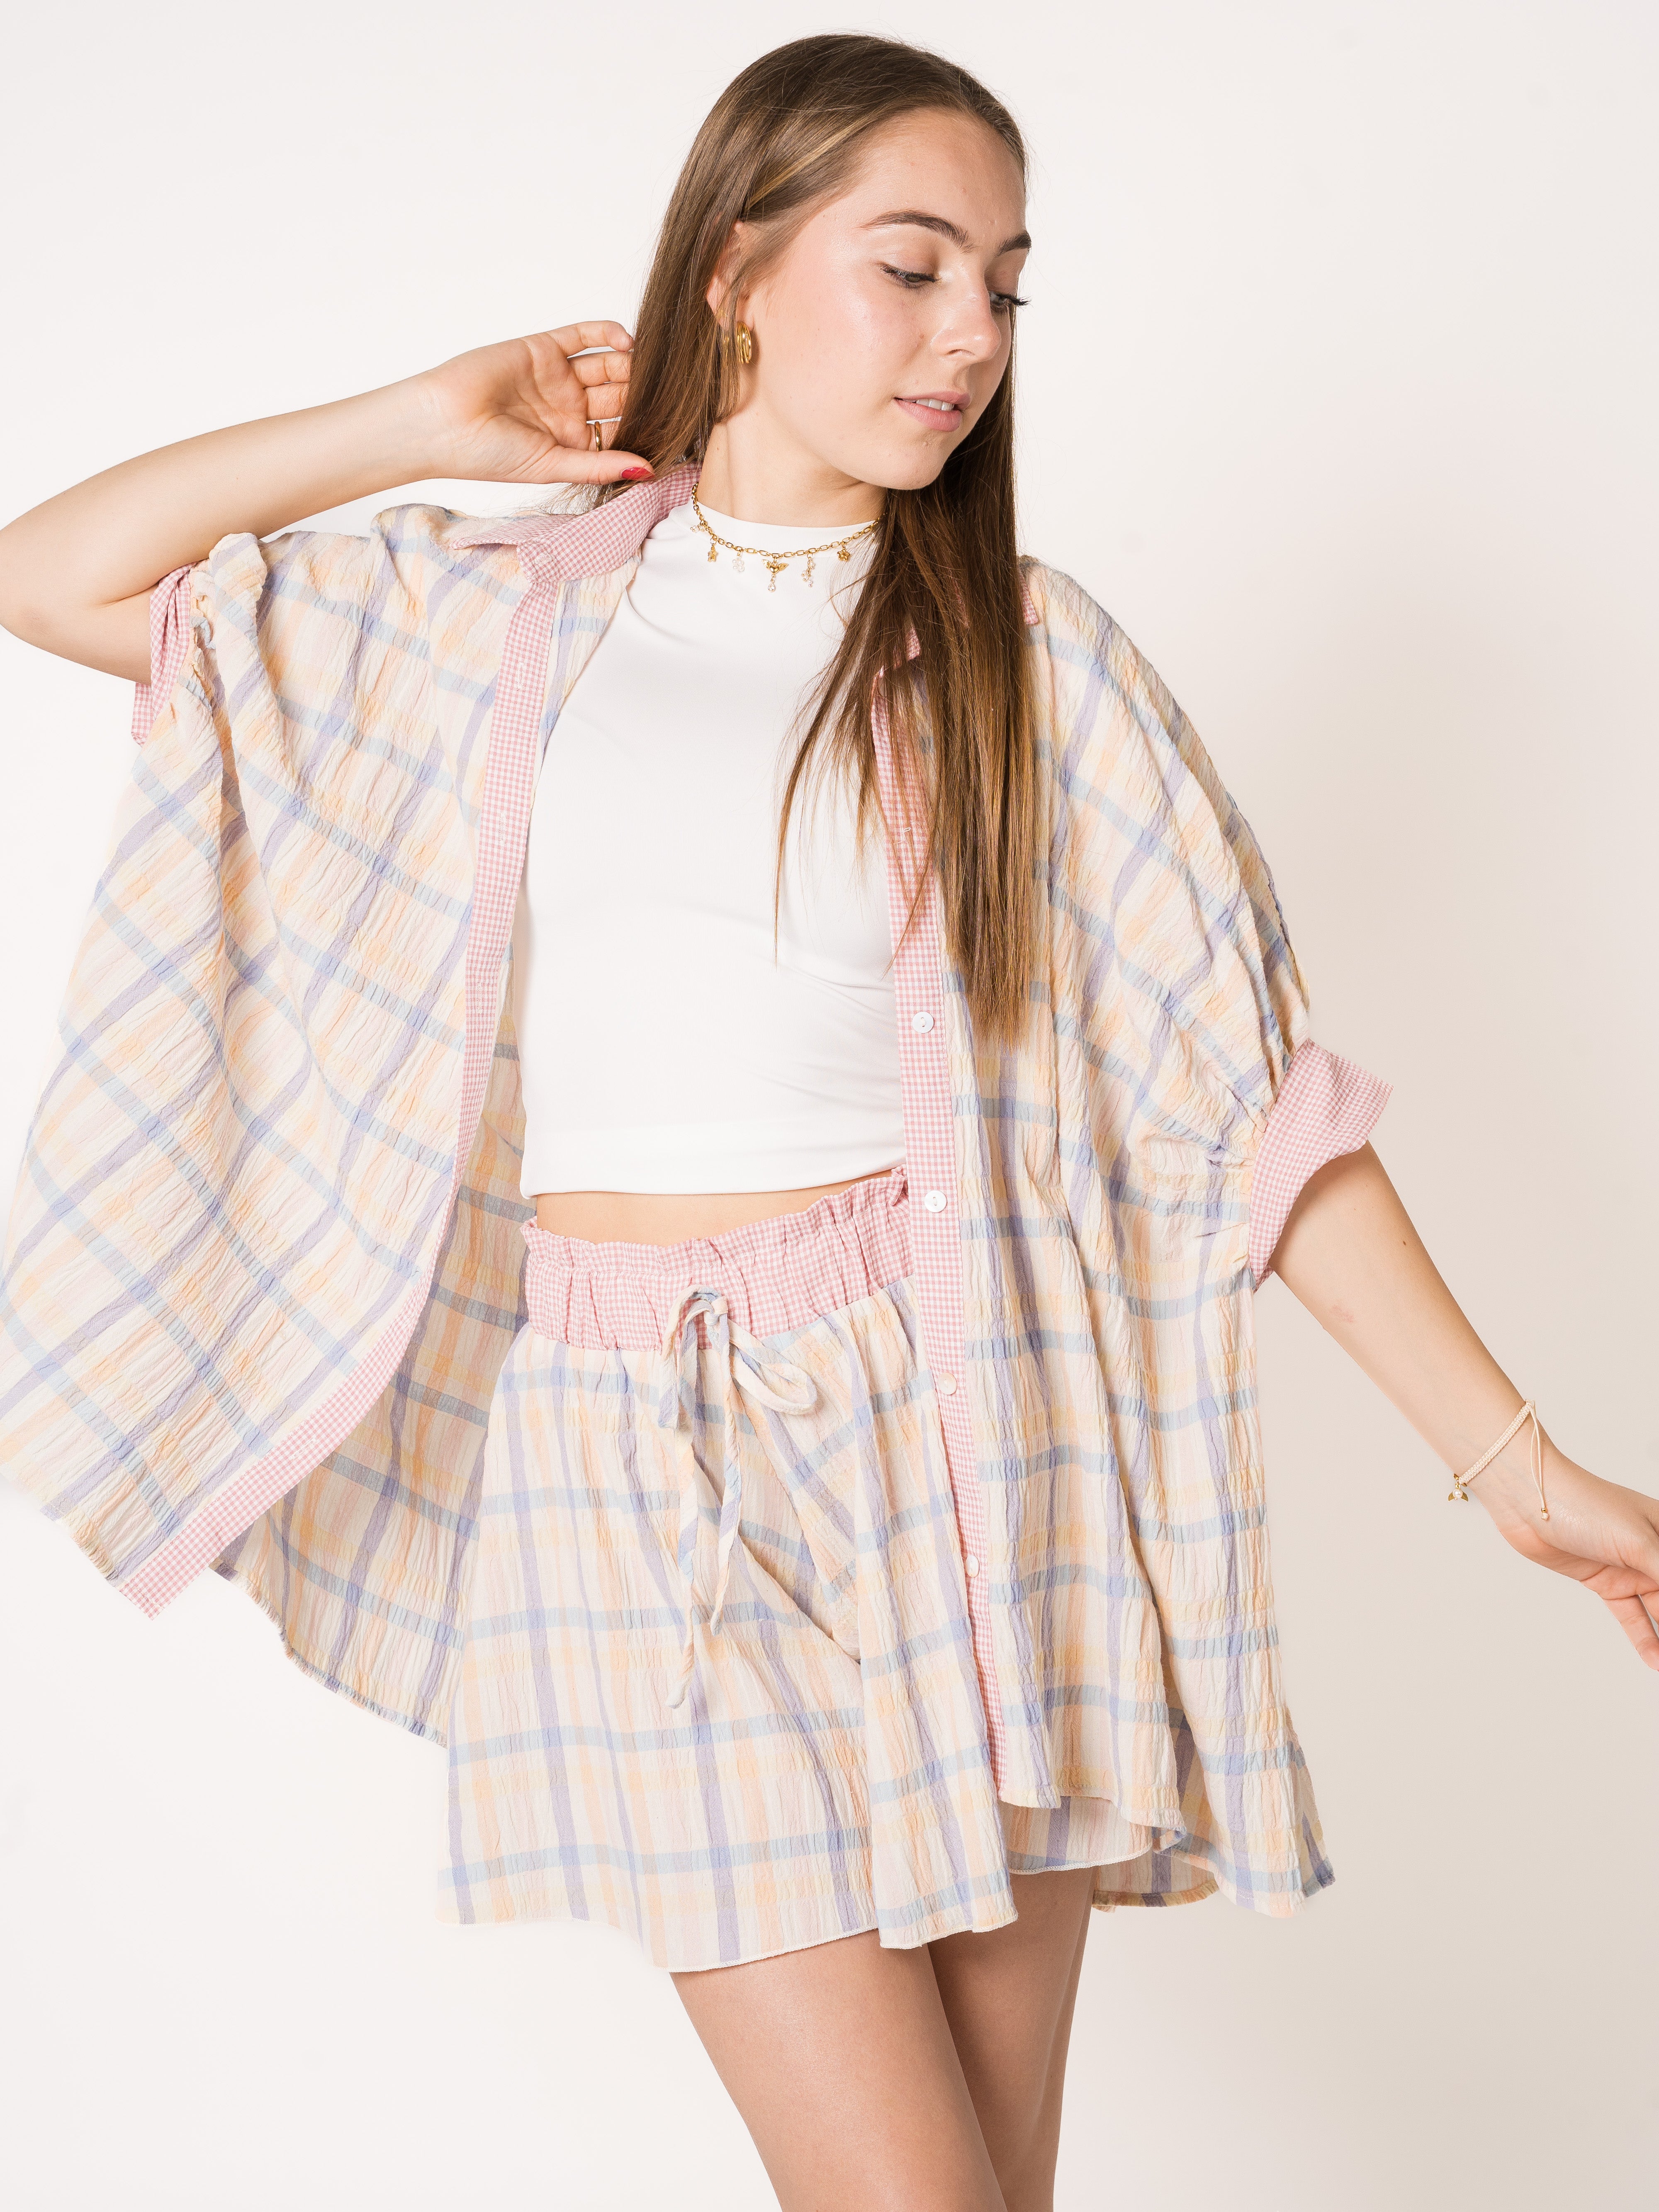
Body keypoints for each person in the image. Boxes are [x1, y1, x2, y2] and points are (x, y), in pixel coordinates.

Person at [0, 31, 1653, 2212]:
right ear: (738, 270)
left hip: (971, 1433)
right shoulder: (481, 616)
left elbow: (1255, 1115)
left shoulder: (1027, 663)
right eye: (914, 265)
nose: (970, 336)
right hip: (628, 1446)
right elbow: (53, 572)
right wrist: (420, 418)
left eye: (1007, 286)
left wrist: (1525, 1474)